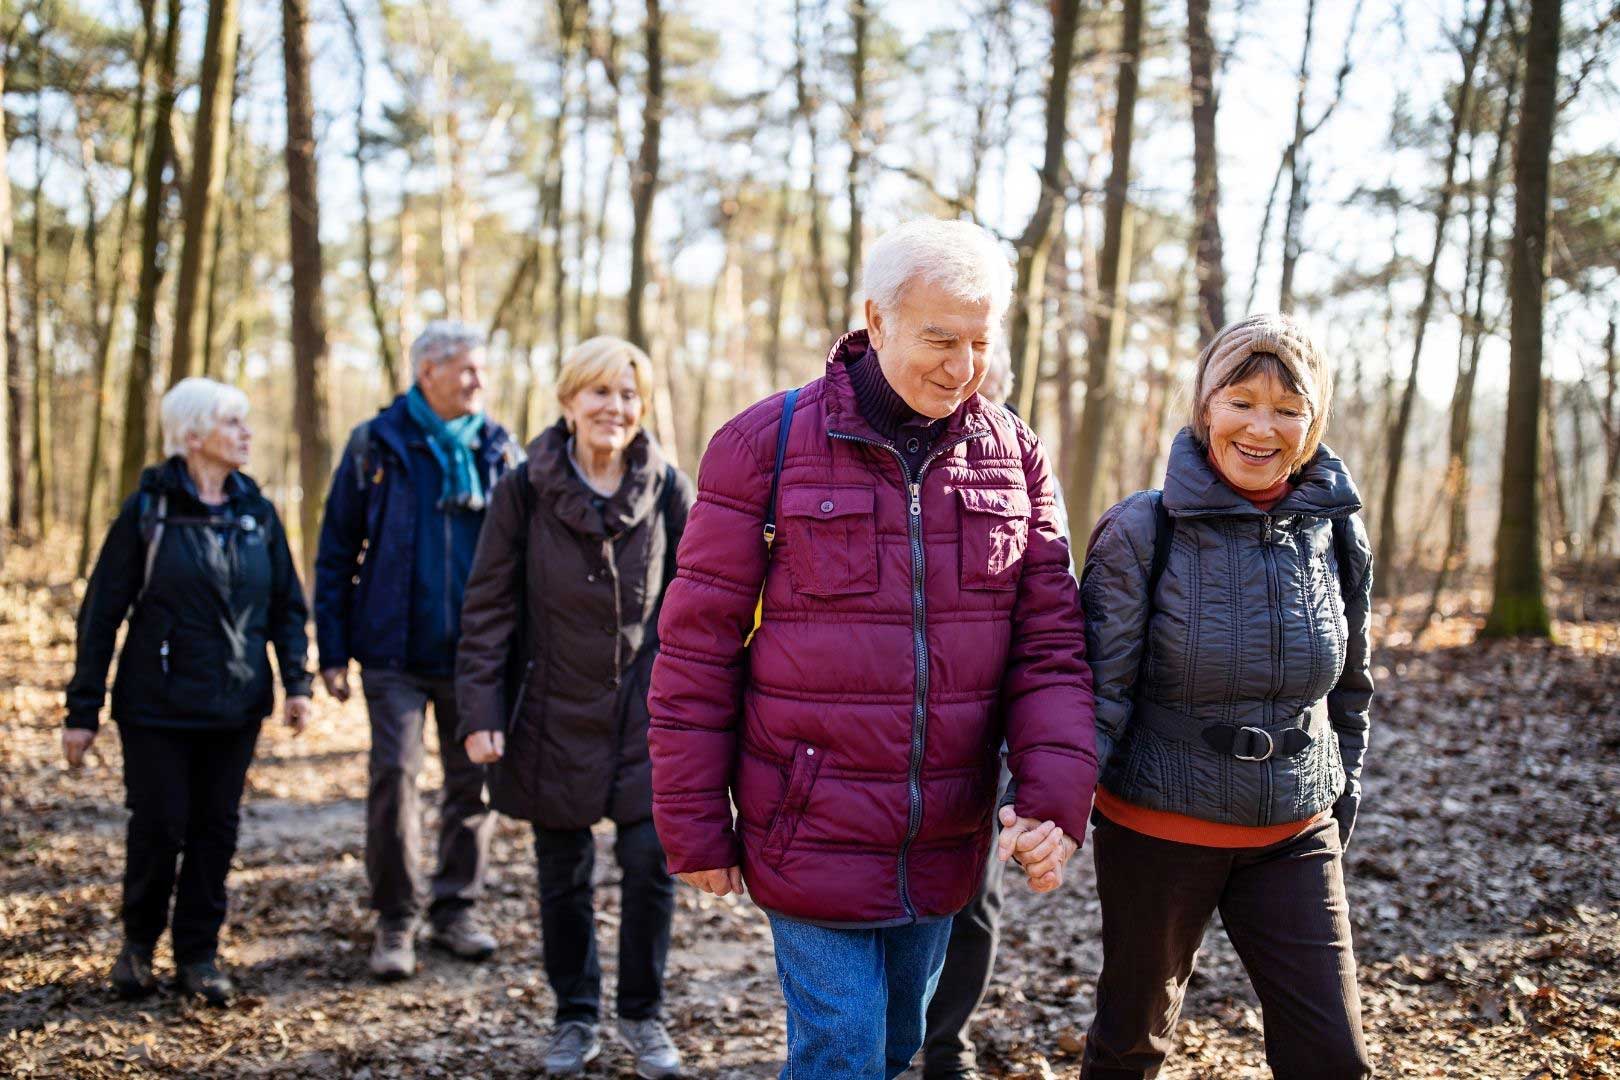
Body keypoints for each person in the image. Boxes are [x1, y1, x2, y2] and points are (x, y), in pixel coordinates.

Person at [647, 218, 1099, 1079]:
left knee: (895, 1043)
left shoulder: (1015, 459)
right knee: (843, 1051)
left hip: (945, 829)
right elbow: (698, 651)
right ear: (876, 320)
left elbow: (1049, 645)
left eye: (979, 341)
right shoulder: (763, 446)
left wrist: (1053, 795)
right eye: (939, 338)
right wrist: (694, 823)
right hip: (806, 820)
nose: (962, 367)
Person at [1077, 312, 1373, 1079]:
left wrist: (1344, 794)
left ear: (1315, 421)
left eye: (1287, 408)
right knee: (1130, 1044)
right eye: (1240, 400)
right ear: (1205, 404)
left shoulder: (1336, 532)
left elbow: (1351, 686)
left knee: (1333, 1058)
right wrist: (1052, 804)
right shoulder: (1144, 529)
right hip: (1158, 830)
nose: (1261, 427)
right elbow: (1096, 690)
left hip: (1293, 829)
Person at [456, 337, 694, 1079]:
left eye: (627, 394)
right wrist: (479, 710)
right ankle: (574, 1015)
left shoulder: (670, 489)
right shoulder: (521, 489)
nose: (613, 408)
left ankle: (643, 1015)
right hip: (550, 709)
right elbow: (488, 606)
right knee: (562, 870)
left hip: (644, 711)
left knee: (649, 860)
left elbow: (698, 607)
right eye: (598, 392)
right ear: (567, 402)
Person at [64, 377, 313, 1006]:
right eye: (233, 422)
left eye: (246, 422)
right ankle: (139, 945)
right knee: (158, 826)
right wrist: (82, 709)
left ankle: (199, 955)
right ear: (194, 434)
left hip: (236, 706)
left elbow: (286, 604)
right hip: (157, 707)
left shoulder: (258, 512)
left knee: (215, 831)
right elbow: (101, 614)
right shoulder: (148, 510)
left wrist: (297, 682)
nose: (246, 433)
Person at [313, 320, 518, 980]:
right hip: (393, 653)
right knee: (394, 780)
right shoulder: (375, 444)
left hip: (477, 654)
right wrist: (332, 648)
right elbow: (336, 552)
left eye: (482, 369)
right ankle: (395, 918)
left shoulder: (498, 449)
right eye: (467, 369)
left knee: (474, 785)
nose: (480, 381)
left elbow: (524, 557)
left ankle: (456, 908)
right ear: (427, 372)